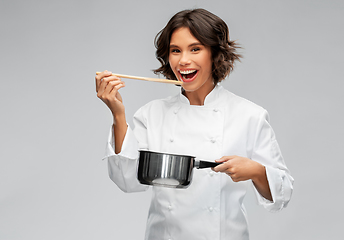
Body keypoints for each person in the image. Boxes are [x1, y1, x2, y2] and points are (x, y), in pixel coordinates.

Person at [95, 8, 294, 240]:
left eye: (195, 49)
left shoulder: (249, 115)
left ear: (215, 53)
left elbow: (283, 194)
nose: (184, 60)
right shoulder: (152, 114)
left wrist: (257, 171)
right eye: (175, 51)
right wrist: (118, 115)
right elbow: (127, 181)